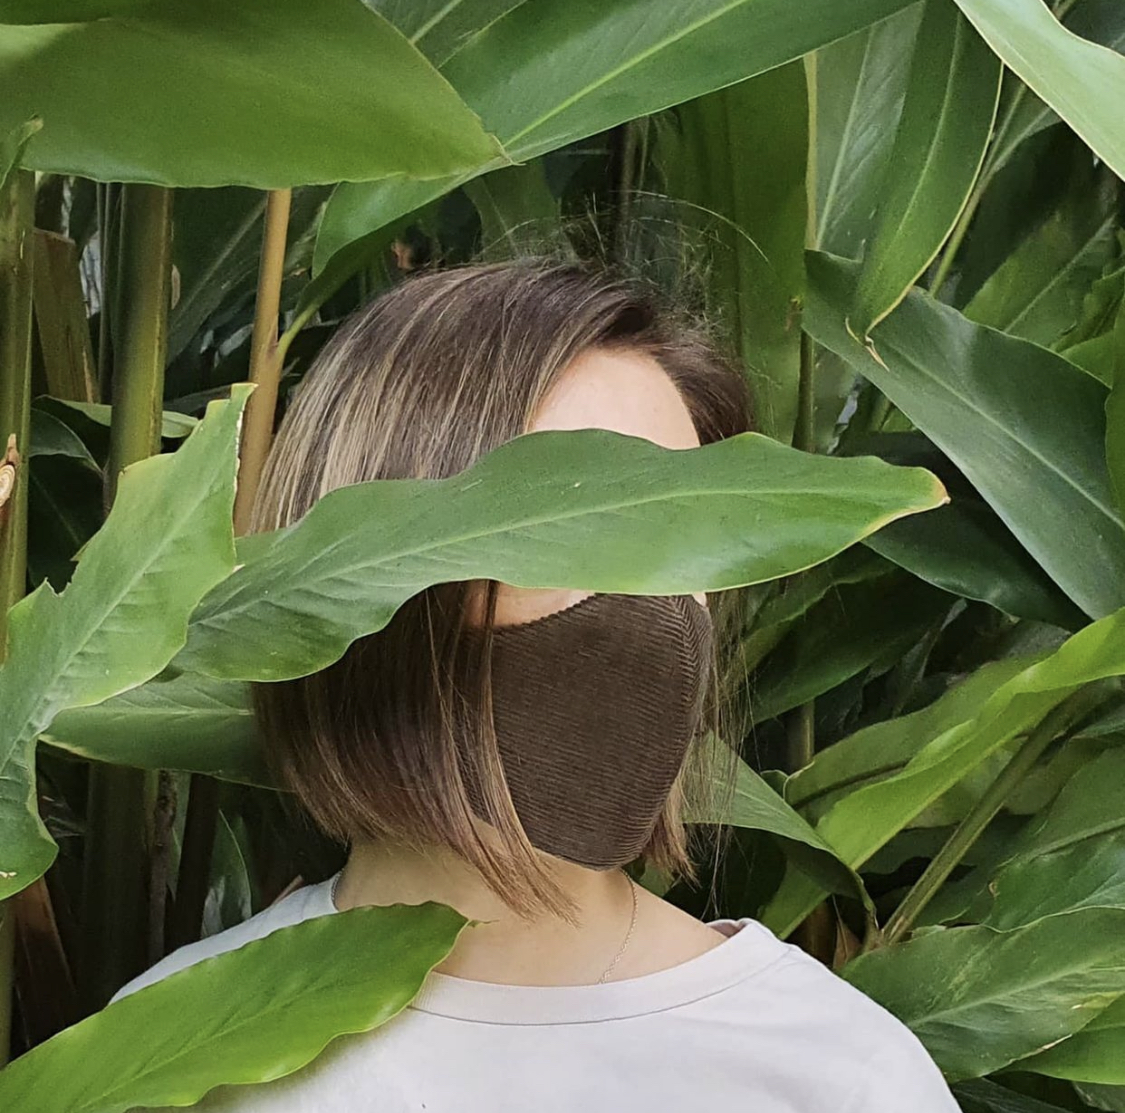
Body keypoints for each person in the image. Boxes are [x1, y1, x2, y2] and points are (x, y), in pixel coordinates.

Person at [111, 260, 958, 1111]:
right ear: (363, 560)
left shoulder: (837, 1076)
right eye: (568, 530)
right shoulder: (164, 1052)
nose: (654, 603)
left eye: (690, 537)